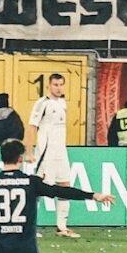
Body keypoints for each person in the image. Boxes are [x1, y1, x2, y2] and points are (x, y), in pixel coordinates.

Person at [24, 73, 80, 238]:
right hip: (46, 152)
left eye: (61, 84)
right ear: (49, 85)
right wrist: (29, 151)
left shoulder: (62, 103)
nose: (58, 88)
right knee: (39, 189)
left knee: (65, 185)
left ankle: (62, 227)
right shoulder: (42, 103)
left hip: (60, 151)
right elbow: (32, 127)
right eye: (55, 84)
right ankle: (30, 226)